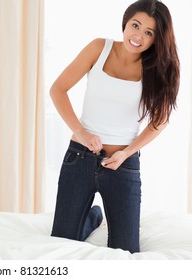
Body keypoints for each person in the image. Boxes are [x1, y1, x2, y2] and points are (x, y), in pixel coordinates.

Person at [50, 0, 179, 253]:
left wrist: (127, 152)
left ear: (156, 39)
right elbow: (58, 89)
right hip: (80, 157)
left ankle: (93, 217)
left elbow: (160, 121)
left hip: (122, 165)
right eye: (136, 25)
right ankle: (90, 219)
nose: (138, 36)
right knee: (63, 243)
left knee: (126, 250)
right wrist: (80, 132)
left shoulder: (156, 68)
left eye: (149, 33)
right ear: (125, 22)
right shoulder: (99, 48)